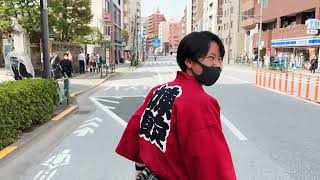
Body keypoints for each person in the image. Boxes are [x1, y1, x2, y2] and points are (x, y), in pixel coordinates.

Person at [116, 31, 237, 180]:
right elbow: (211, 160)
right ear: (189, 62)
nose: (217, 65)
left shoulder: (158, 91)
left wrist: (140, 167)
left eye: (220, 59)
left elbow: (137, 127)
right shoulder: (201, 103)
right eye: (211, 58)